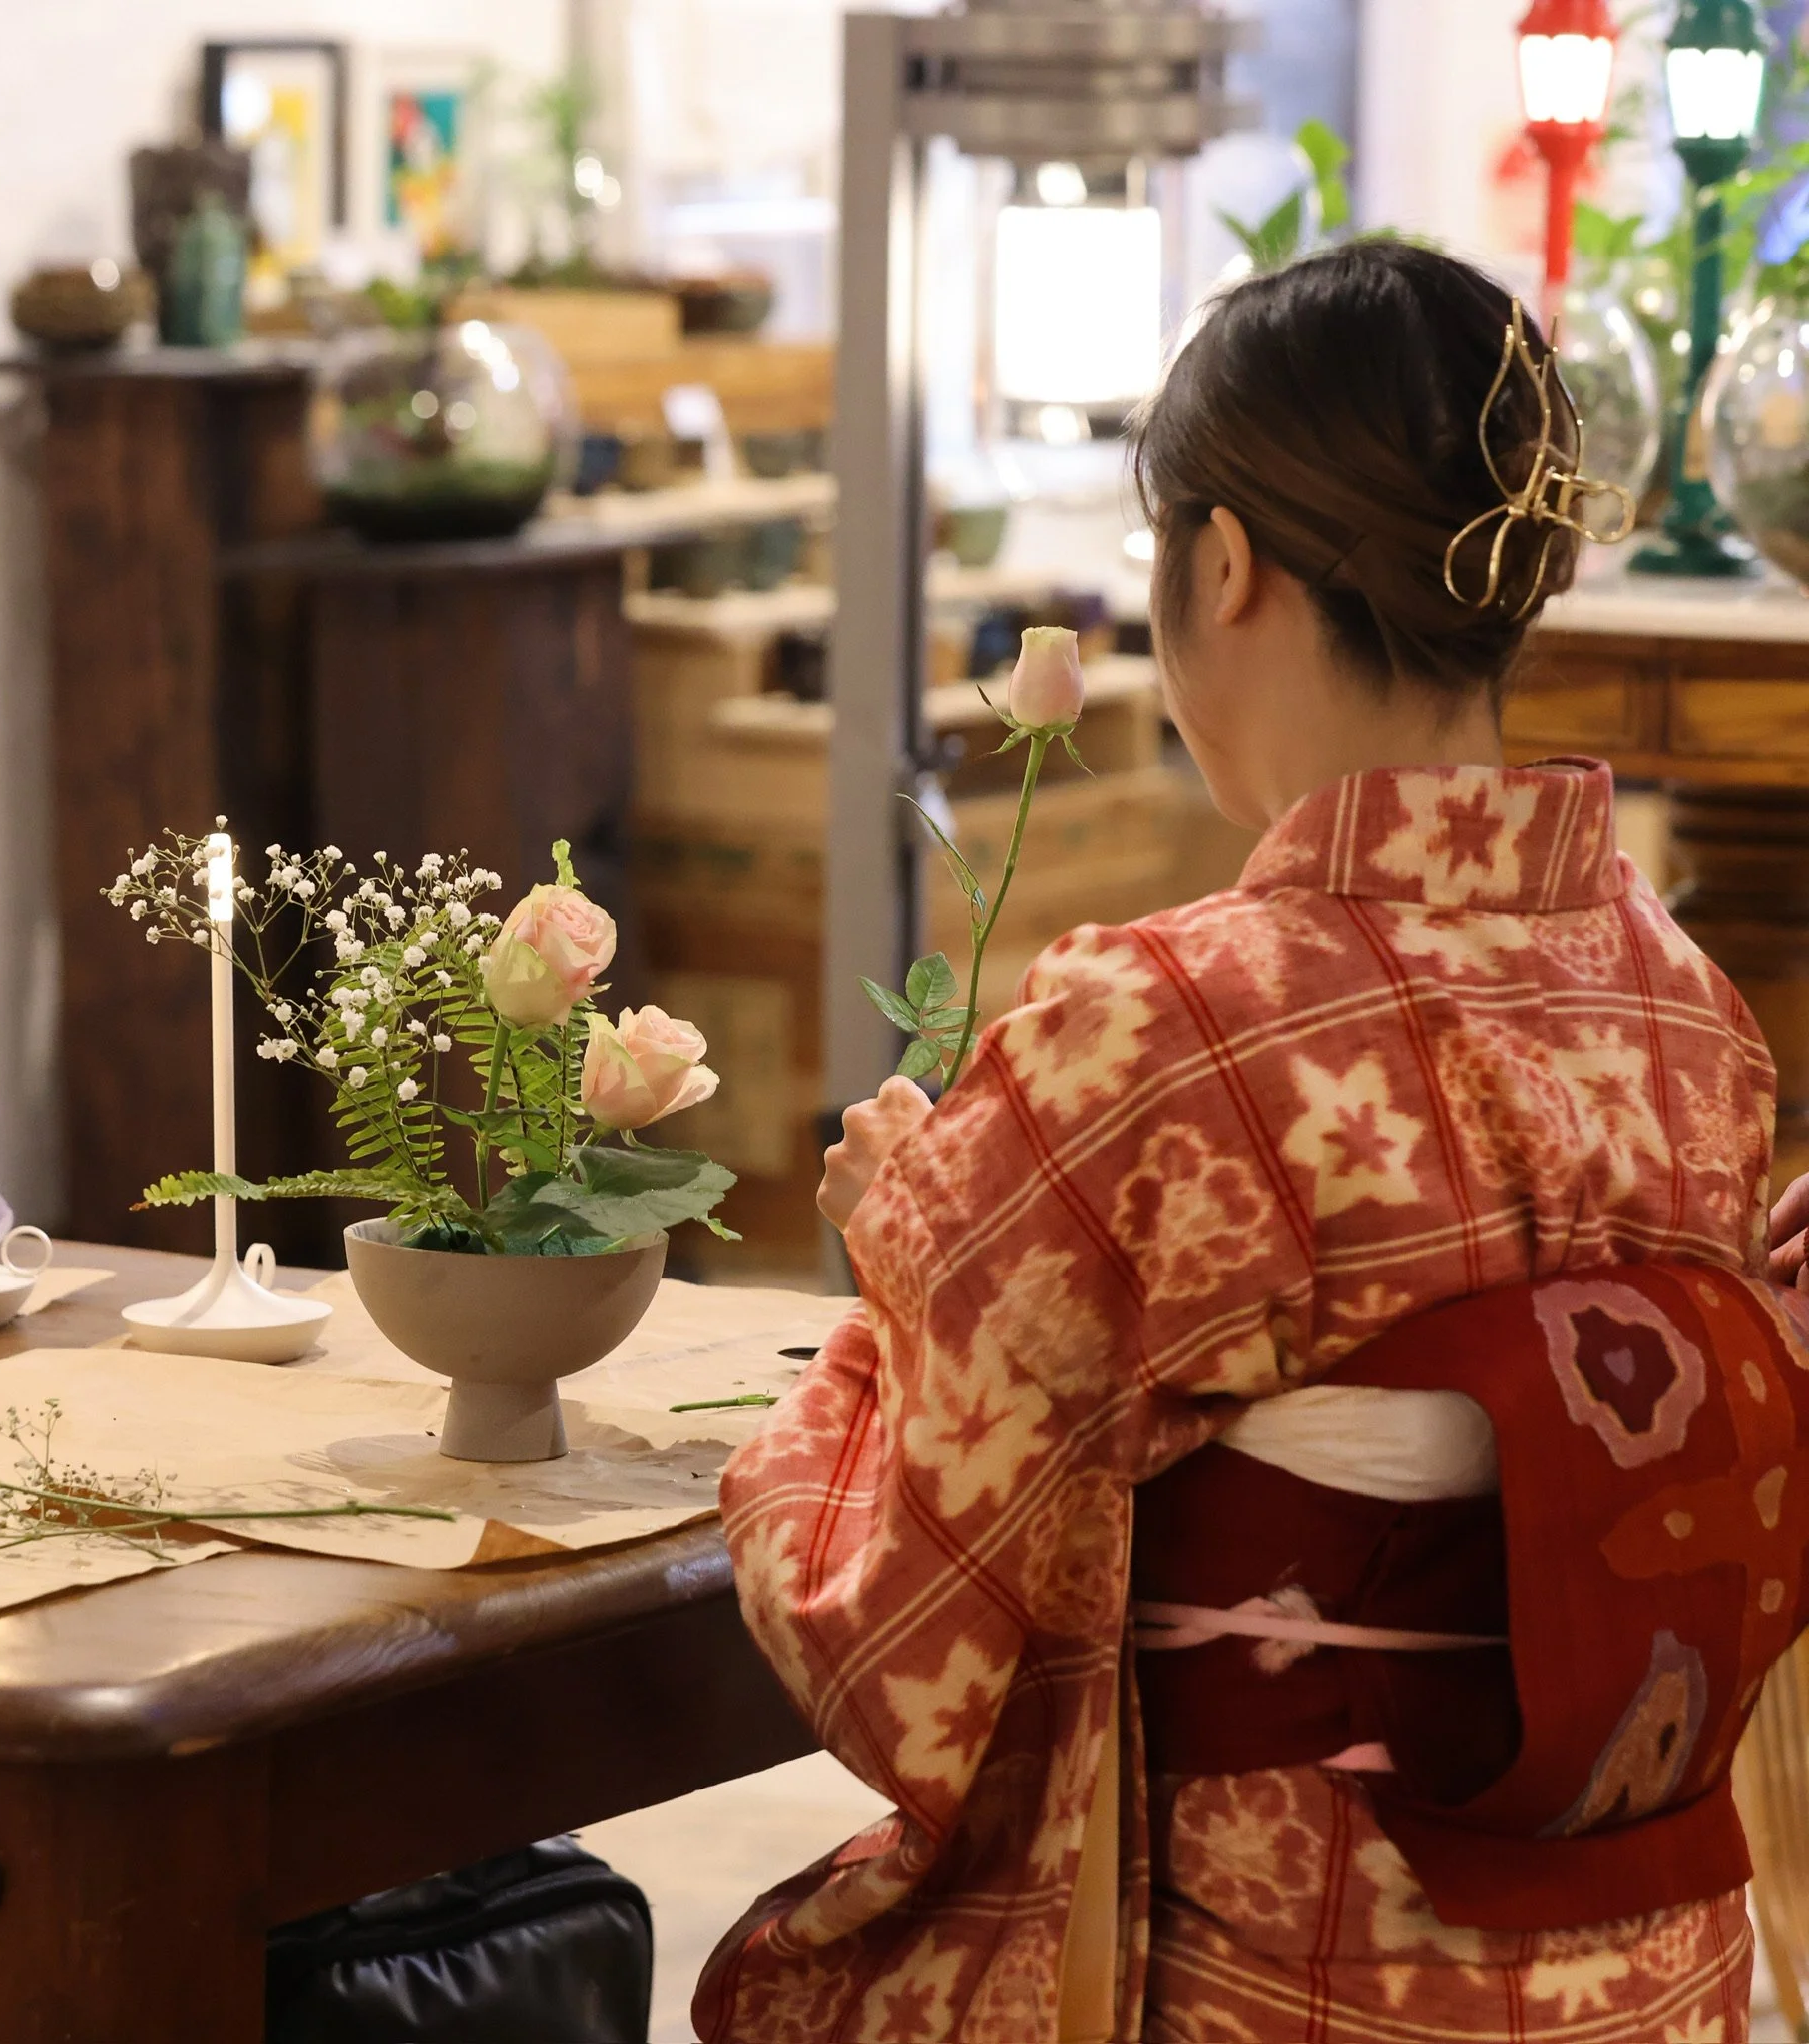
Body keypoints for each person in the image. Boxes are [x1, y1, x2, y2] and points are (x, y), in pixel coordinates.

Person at [694, 239, 1802, 2044]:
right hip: (1661, 1982)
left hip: (1296, 1982)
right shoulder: (1689, 1009)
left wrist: (906, 1264)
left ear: (1223, 566)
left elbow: (896, 1643)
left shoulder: (1161, 1029)